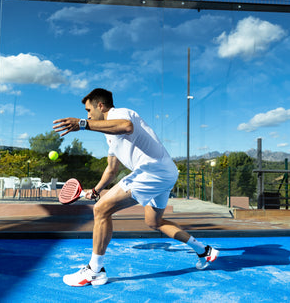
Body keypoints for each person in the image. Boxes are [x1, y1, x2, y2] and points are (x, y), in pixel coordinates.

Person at [53, 88, 218, 287]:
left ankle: (94, 271)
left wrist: (82, 124)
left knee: (101, 209)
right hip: (166, 173)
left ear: (101, 106)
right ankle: (204, 250)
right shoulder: (109, 135)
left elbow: (126, 126)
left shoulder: (118, 113)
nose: (87, 115)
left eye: (89, 110)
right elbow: (112, 169)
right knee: (153, 222)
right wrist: (96, 190)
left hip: (153, 171)